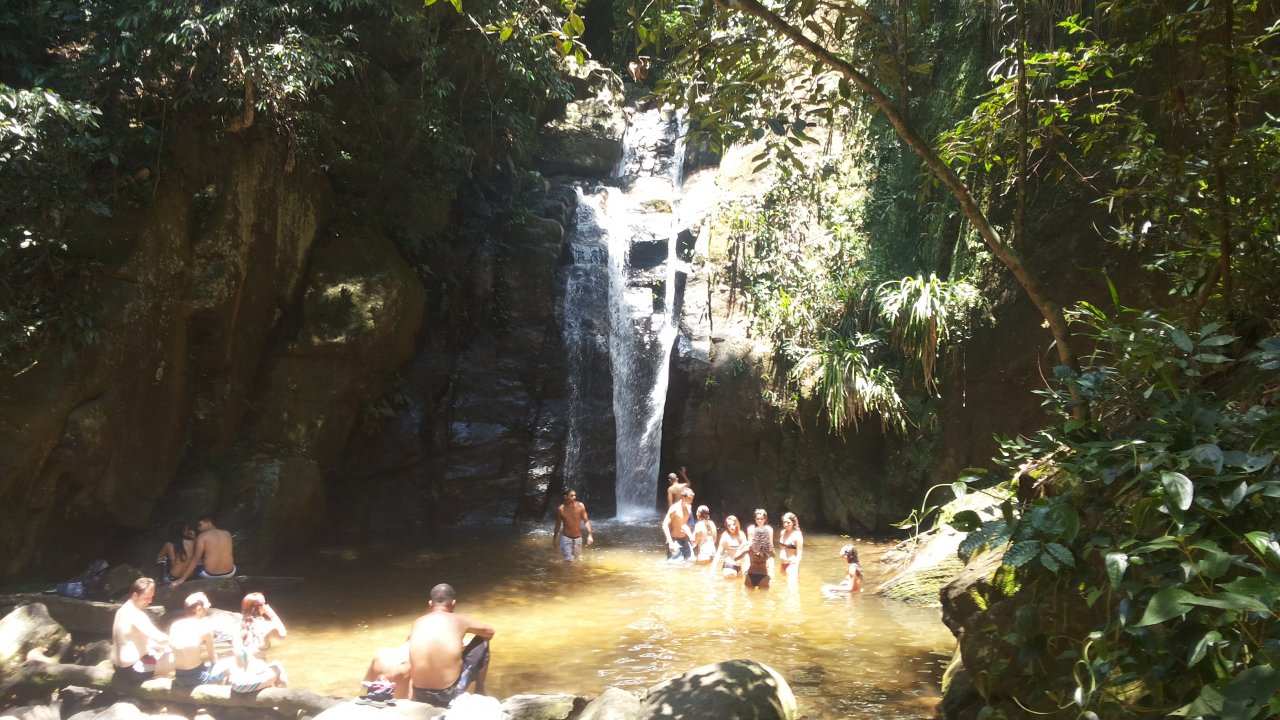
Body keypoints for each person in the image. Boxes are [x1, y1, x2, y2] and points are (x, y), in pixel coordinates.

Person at [408, 583, 496, 707]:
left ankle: (412, 696)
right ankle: (480, 691)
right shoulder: (460, 619)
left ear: (430, 604)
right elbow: (490, 632)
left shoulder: (417, 622)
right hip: (448, 694)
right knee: (483, 640)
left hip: (419, 693)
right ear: (454, 604)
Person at [111, 577, 173, 683]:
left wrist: (153, 646)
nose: (150, 601)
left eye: (151, 597)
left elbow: (133, 638)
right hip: (134, 671)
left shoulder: (122, 610)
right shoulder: (136, 615)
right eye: (146, 598)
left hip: (118, 668)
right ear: (135, 595)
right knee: (175, 657)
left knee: (160, 650)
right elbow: (162, 639)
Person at [169, 592, 232, 687]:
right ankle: (219, 693)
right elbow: (213, 659)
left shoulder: (175, 625)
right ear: (199, 609)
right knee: (231, 666)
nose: (208, 609)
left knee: (205, 664)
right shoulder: (205, 628)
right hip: (196, 678)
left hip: (179, 676)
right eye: (206, 607)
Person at [229, 592, 288, 693]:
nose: (266, 606)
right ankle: (284, 702)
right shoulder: (264, 625)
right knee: (278, 666)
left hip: (234, 682)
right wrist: (272, 614)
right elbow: (283, 635)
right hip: (248, 683)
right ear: (259, 607)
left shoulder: (236, 627)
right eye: (264, 604)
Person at [171, 515, 236, 588]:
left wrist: (181, 579)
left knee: (195, 559)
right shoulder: (227, 533)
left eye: (200, 525)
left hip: (210, 575)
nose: (198, 528)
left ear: (208, 523)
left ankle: (193, 581)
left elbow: (196, 558)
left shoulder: (202, 536)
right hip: (230, 573)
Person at [735, 510, 774, 590]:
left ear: (765, 519)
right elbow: (750, 544)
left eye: (761, 519)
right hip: (757, 564)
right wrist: (746, 563)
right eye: (757, 518)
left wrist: (771, 568)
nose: (759, 520)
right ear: (755, 519)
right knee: (763, 599)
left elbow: (737, 556)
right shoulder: (751, 529)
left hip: (756, 568)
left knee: (749, 599)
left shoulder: (769, 529)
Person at [551, 489, 594, 562]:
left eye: (575, 495)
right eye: (571, 496)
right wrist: (554, 539)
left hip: (578, 538)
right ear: (565, 497)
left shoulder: (580, 506)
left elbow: (586, 521)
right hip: (566, 538)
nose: (574, 497)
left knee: (576, 560)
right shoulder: (561, 509)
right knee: (569, 560)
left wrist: (590, 535)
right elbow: (558, 524)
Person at [662, 488, 695, 561]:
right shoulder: (674, 508)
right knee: (675, 564)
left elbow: (684, 524)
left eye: (692, 499)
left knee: (690, 561)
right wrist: (670, 543)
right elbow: (665, 525)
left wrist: (690, 536)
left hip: (684, 539)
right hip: (674, 540)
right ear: (683, 497)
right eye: (689, 499)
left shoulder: (689, 507)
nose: (691, 501)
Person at [778, 512, 804, 580]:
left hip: (792, 564)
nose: (786, 524)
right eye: (784, 522)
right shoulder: (782, 532)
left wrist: (796, 566)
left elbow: (799, 553)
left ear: (793, 522)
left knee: (792, 587)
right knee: (783, 586)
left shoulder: (797, 535)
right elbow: (782, 549)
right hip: (783, 563)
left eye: (788, 522)